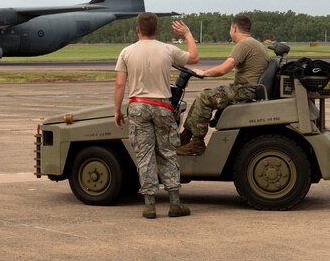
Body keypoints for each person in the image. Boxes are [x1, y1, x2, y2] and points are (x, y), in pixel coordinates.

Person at [114, 13, 199, 219]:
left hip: (138, 106)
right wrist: (187, 34)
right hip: (162, 106)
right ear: (156, 30)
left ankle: (149, 205)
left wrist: (117, 110)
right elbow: (194, 58)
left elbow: (119, 84)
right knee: (167, 153)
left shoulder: (127, 52)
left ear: (138, 30)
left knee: (145, 155)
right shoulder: (167, 49)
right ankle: (175, 203)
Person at [178, 13, 270, 156]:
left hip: (246, 90)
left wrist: (203, 72)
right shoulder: (255, 43)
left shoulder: (244, 44)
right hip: (249, 88)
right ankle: (186, 136)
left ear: (234, 28)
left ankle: (197, 143)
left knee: (204, 97)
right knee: (203, 96)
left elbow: (224, 68)